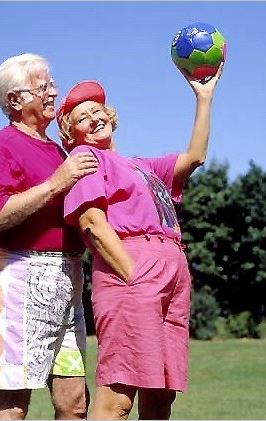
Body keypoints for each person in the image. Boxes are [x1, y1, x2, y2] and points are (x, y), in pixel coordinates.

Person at [56, 65, 223, 420]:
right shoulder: (87, 160)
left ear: (110, 115)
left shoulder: (143, 166)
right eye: (82, 118)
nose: (93, 118)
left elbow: (195, 156)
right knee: (118, 399)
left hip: (172, 273)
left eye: (96, 110)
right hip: (133, 269)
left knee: (161, 397)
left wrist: (204, 97)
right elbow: (92, 224)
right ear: (72, 135)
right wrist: (134, 274)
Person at [0, 53, 99, 420]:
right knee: (15, 404)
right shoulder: (1, 145)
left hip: (69, 277)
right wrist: (56, 183)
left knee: (75, 404)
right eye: (43, 87)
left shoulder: (58, 150)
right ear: (15, 100)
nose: (53, 93)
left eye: (52, 84)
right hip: (22, 278)